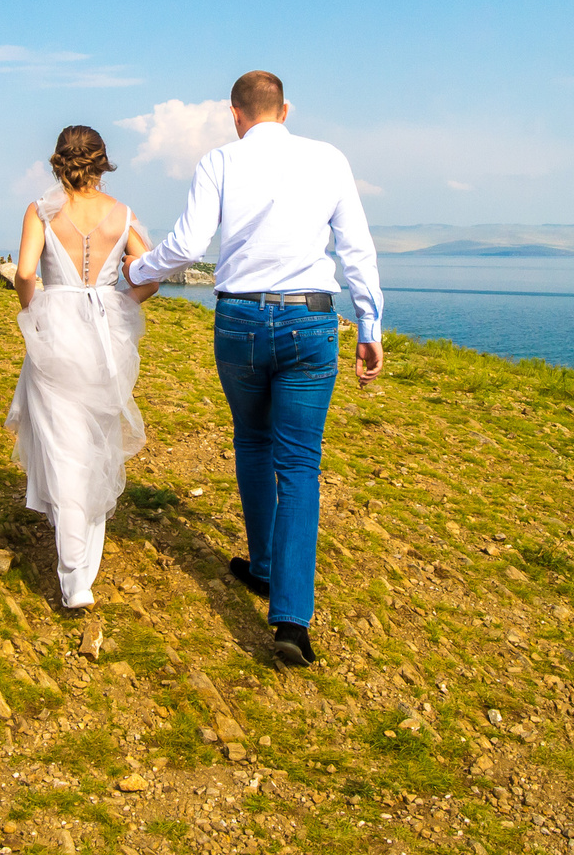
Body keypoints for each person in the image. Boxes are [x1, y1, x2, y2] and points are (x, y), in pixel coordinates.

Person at [123, 71, 382, 667]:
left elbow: (187, 245)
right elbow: (356, 248)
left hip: (238, 322)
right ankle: (291, 620)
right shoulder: (329, 159)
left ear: (234, 114)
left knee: (252, 442)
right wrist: (369, 326)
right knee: (299, 465)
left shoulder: (219, 161)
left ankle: (263, 567)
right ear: (284, 110)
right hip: (309, 322)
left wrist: (137, 273)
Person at [5, 125, 159, 612]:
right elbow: (152, 271)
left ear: (59, 161)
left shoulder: (41, 210)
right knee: (95, 438)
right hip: (105, 331)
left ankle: (74, 574)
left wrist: (33, 312)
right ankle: (83, 564)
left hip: (57, 326)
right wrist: (124, 299)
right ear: (101, 162)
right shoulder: (123, 214)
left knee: (60, 439)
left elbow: (26, 272)